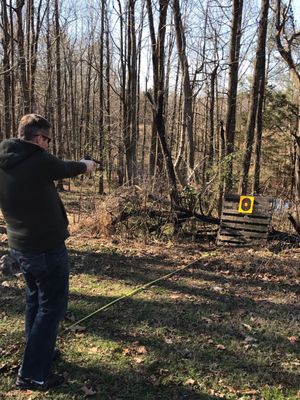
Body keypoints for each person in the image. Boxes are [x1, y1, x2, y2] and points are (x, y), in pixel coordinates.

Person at [0, 114, 96, 390]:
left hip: (20, 246)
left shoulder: (6, 157)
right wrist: (87, 165)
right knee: (52, 307)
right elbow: (68, 167)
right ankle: (31, 374)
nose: (48, 144)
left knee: (34, 301)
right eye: (47, 139)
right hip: (45, 248)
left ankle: (38, 351)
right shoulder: (38, 159)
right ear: (39, 138)